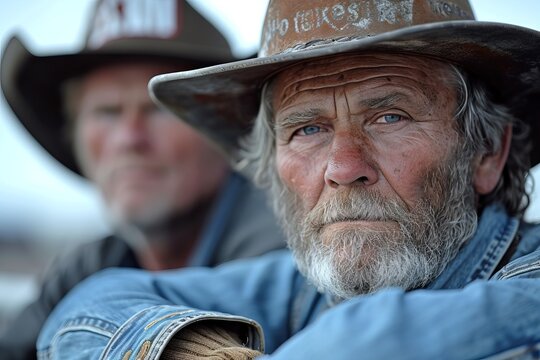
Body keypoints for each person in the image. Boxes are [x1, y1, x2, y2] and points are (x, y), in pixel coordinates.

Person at [38, 0, 540, 358]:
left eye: (390, 118)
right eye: (309, 129)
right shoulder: (298, 287)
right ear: (272, 167)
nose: (344, 169)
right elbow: (88, 308)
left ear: (487, 152)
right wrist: (186, 347)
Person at [0, 1, 285, 359]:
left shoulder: (283, 247)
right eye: (107, 111)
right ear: (74, 134)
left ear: (230, 129)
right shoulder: (88, 266)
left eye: (157, 109)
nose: (129, 139)